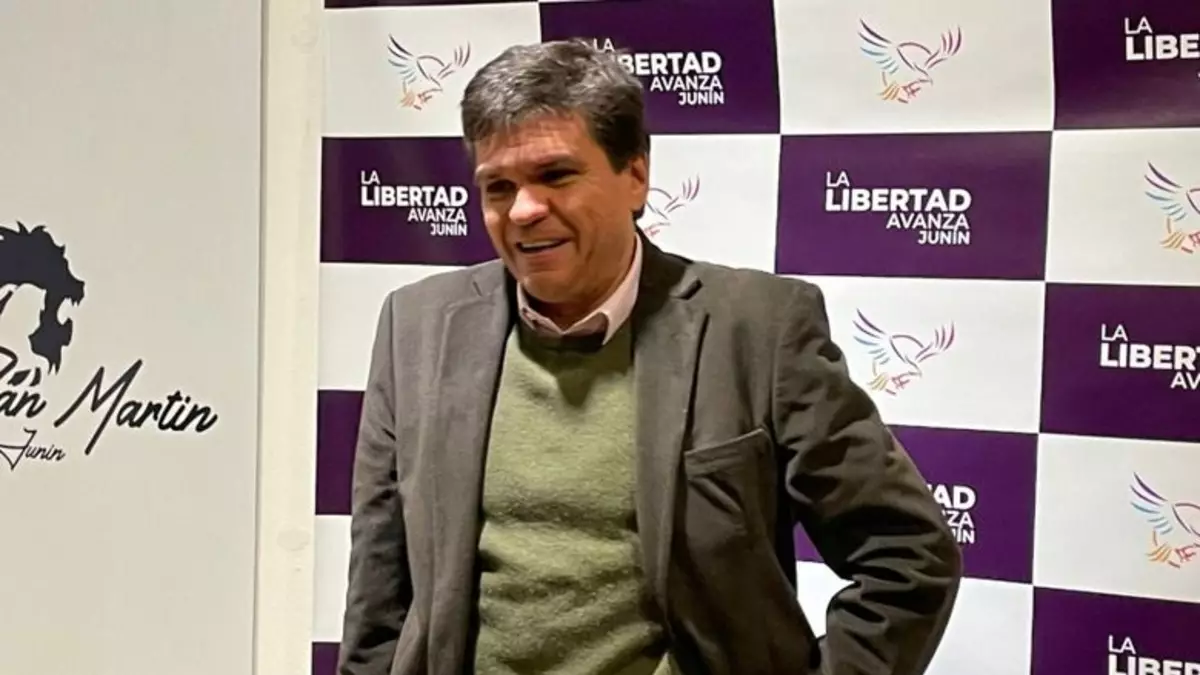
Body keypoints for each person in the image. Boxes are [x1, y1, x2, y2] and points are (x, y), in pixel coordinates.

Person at [337, 39, 962, 675]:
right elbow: (379, 589)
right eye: (498, 186)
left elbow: (908, 555)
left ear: (635, 176)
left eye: (556, 175)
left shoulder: (759, 330)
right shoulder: (417, 327)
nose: (523, 210)